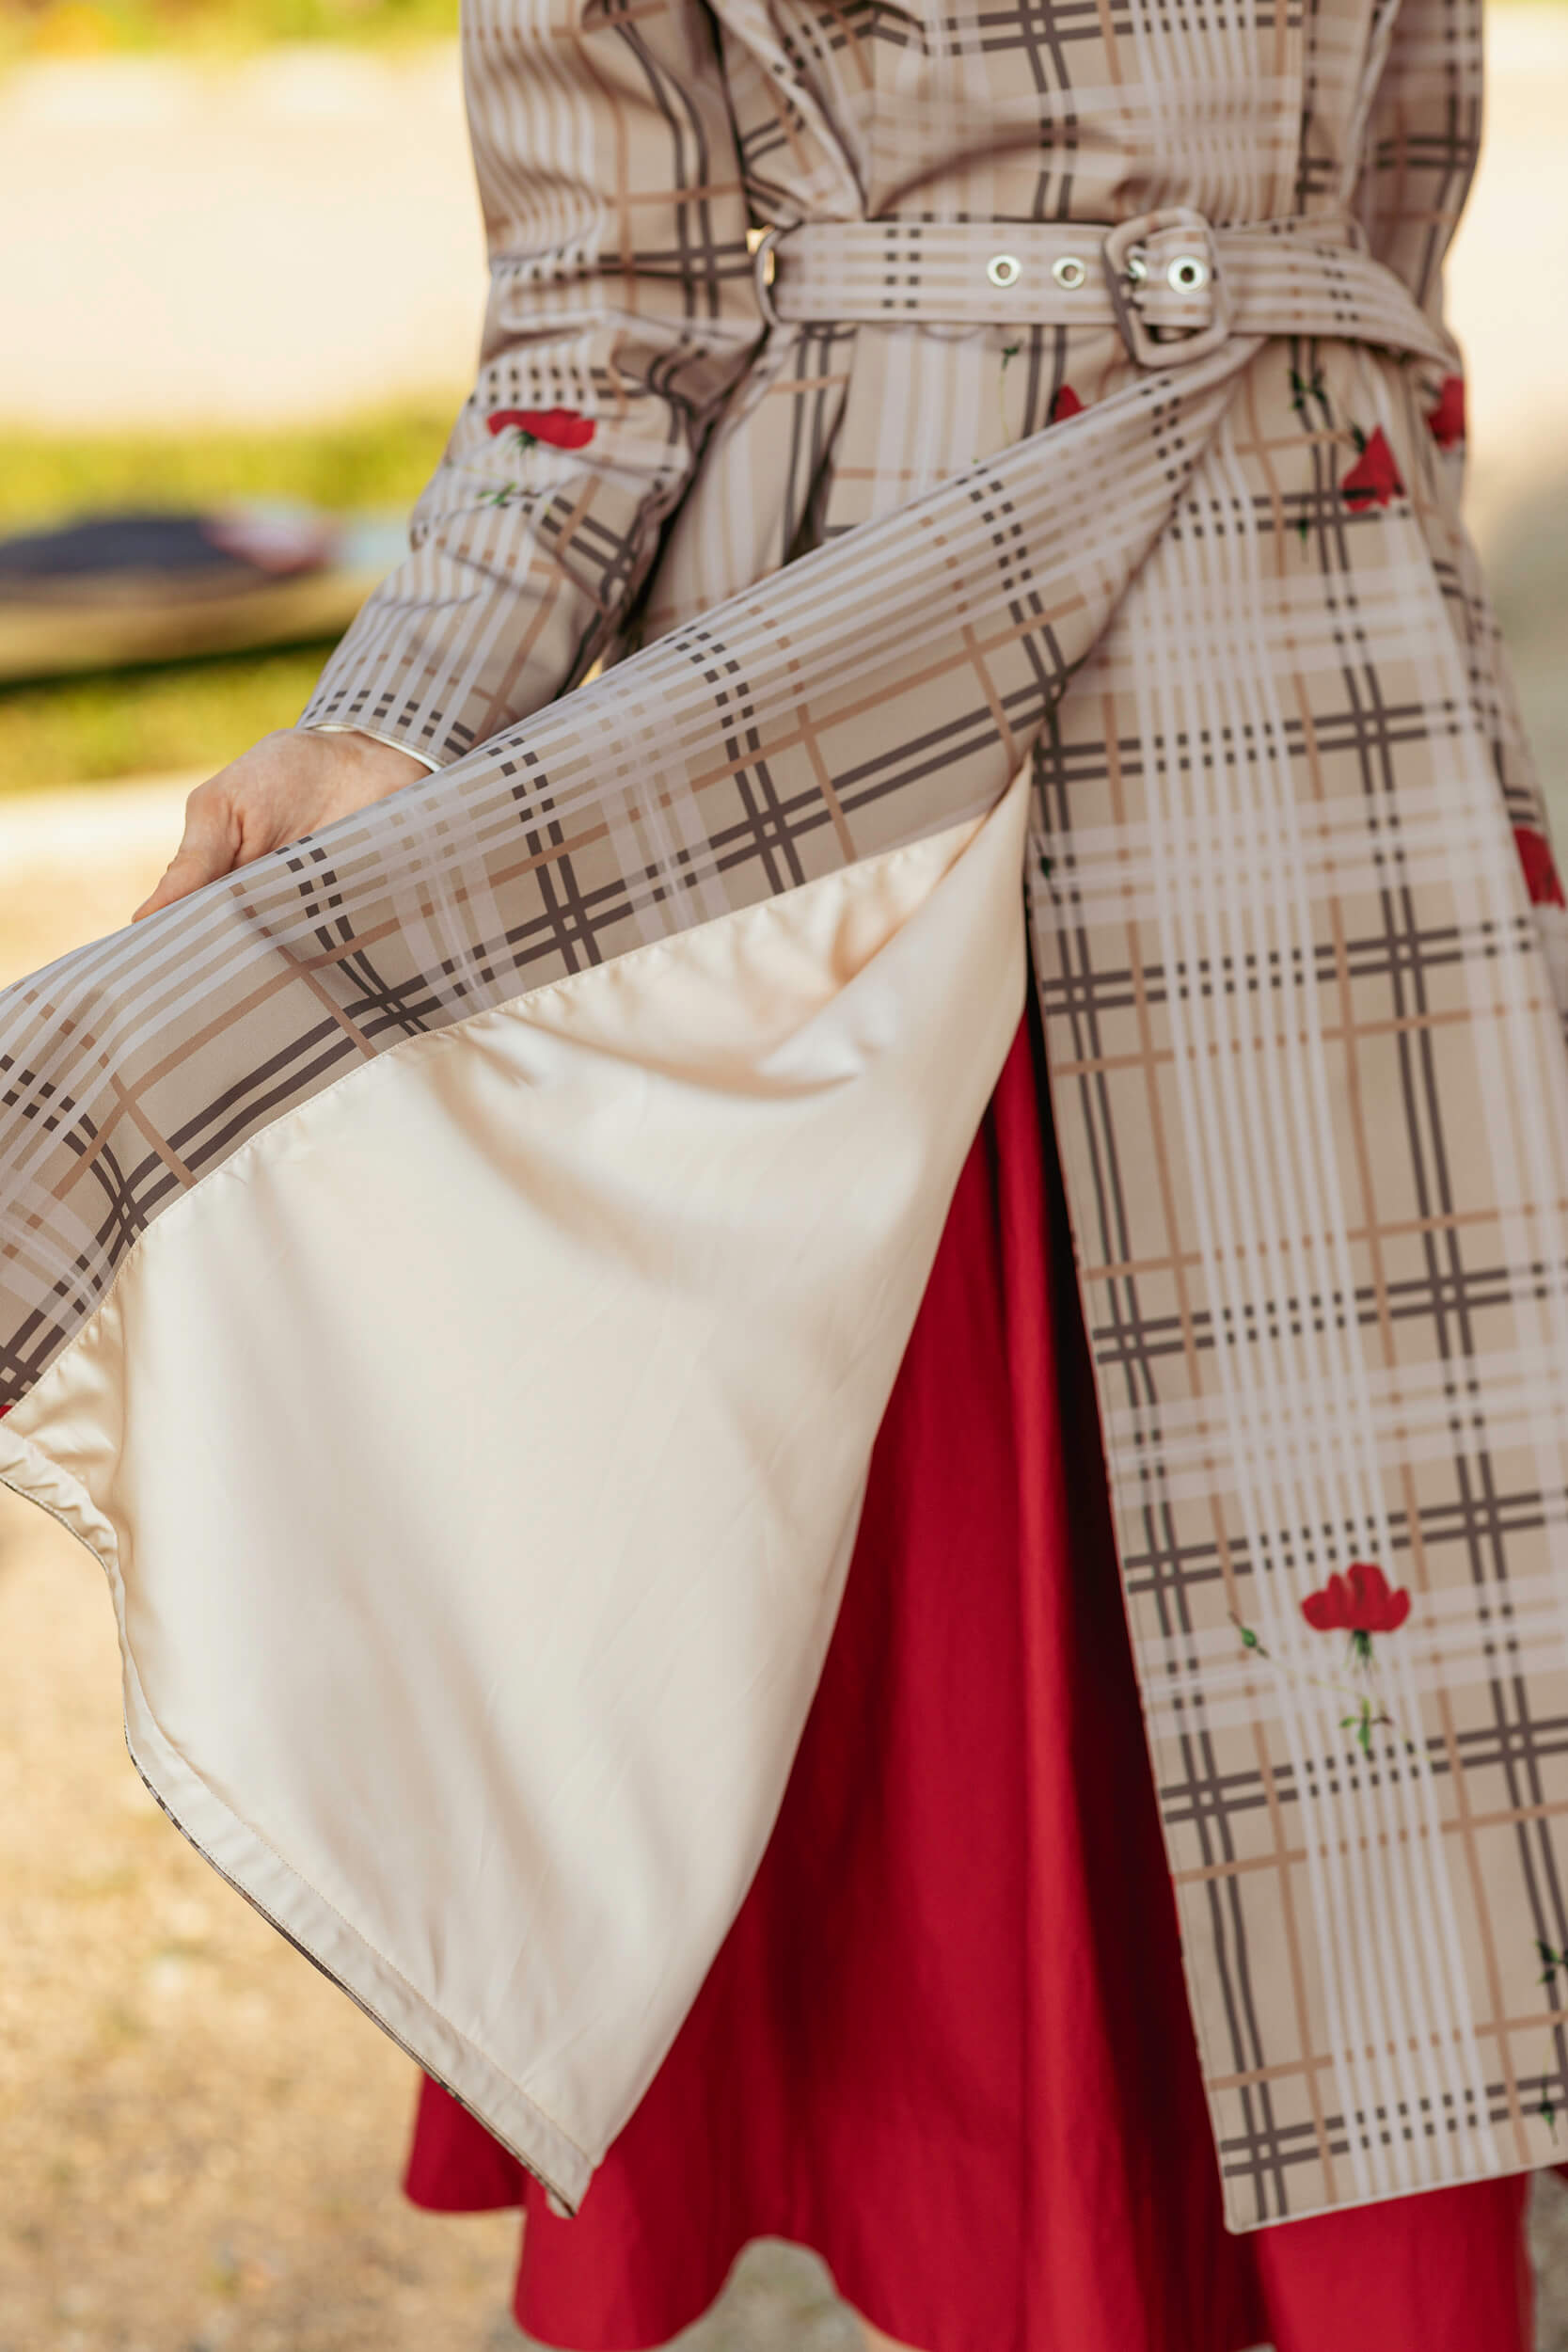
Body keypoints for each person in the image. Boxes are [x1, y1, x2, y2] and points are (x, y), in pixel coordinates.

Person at [10, 0, 1558, 2345]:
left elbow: (1397, 207)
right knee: (896, 1597)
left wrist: (1459, 732)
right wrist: (407, 715)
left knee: (1366, 1694)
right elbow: (610, 285)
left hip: (1322, 736)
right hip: (863, 739)